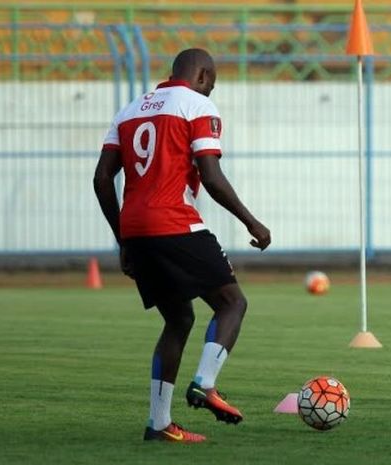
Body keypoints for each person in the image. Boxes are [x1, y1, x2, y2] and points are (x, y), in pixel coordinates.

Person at [94, 48, 271, 441]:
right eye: (213, 82)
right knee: (232, 303)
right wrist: (251, 221)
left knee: (179, 319)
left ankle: (159, 424)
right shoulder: (196, 105)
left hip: (137, 230)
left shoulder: (129, 110)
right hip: (175, 222)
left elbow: (102, 179)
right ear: (204, 76)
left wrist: (123, 237)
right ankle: (205, 383)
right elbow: (210, 174)